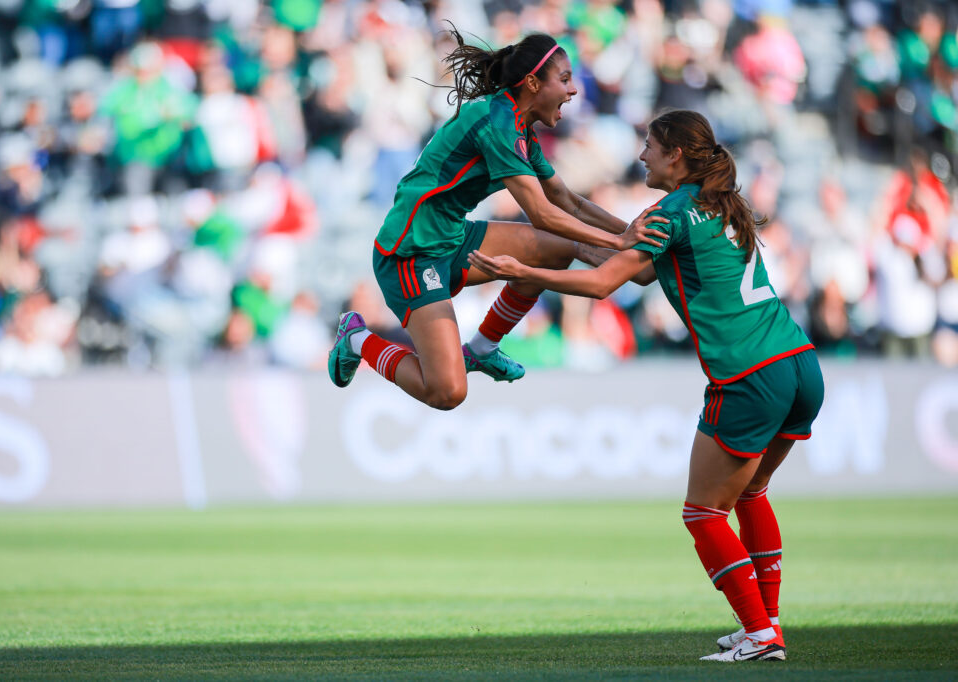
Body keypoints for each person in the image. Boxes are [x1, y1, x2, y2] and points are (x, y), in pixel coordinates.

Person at [469, 109, 824, 662]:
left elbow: (605, 282)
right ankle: (765, 623)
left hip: (749, 373)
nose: (641, 156)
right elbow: (634, 260)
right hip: (799, 363)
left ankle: (760, 634)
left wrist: (523, 272)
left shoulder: (672, 212)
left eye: (650, 146)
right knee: (751, 492)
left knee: (703, 512)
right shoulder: (724, 202)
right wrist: (561, 199)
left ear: (675, 155)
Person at [327, 28, 667, 410]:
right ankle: (356, 338)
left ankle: (483, 348)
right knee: (447, 392)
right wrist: (620, 243)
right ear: (534, 83)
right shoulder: (498, 124)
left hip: (451, 238)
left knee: (560, 251)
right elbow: (541, 213)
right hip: (410, 254)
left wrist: (627, 233)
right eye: (565, 79)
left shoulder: (518, 125)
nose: (573, 91)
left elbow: (567, 200)